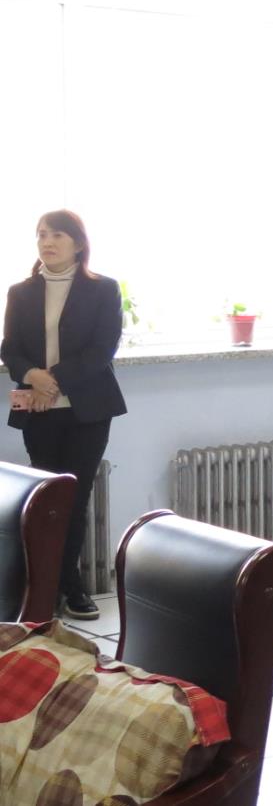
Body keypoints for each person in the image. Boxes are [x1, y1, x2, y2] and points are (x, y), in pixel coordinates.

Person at [3, 210, 128, 621]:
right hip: (38, 411)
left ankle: (70, 585)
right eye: (41, 234)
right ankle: (43, 586)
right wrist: (32, 375)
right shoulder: (20, 292)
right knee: (46, 500)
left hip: (87, 410)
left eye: (57, 234)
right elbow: (10, 349)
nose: (47, 242)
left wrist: (51, 381)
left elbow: (102, 349)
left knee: (75, 498)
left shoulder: (103, 289)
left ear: (78, 243)